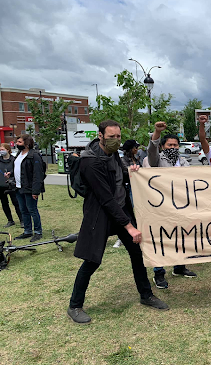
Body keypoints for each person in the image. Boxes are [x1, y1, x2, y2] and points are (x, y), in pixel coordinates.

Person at [68, 120, 168, 324]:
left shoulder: (111, 154)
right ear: (100, 135)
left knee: (136, 253)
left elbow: (118, 176)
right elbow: (106, 198)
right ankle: (75, 306)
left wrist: (133, 172)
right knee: (92, 260)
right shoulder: (90, 161)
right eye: (111, 136)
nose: (115, 140)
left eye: (118, 137)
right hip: (101, 214)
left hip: (121, 210)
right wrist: (130, 227)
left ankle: (146, 294)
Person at [143, 121, 197, 289]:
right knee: (160, 240)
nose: (173, 147)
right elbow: (152, 151)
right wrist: (156, 134)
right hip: (160, 208)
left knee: (181, 237)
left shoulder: (184, 162)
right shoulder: (154, 160)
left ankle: (179, 266)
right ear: (163, 146)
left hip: (180, 207)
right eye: (169, 145)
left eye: (175, 145)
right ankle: (159, 273)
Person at [9, 135, 45, 242]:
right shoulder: (18, 155)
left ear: (27, 143)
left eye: (19, 142)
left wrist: (35, 191)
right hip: (18, 187)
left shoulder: (34, 156)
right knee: (23, 210)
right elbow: (18, 169)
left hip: (29, 188)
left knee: (32, 210)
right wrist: (10, 174)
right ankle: (27, 231)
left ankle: (38, 231)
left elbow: (37, 174)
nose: (17, 144)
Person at [114, 140, 142, 248]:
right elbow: (125, 172)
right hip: (129, 188)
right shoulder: (123, 160)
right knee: (127, 213)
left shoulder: (136, 159)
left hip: (138, 188)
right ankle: (121, 237)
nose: (137, 149)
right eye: (135, 147)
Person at [0, 143, 23, 228]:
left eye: (3, 149)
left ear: (8, 150)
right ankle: (10, 220)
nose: (1, 151)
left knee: (16, 203)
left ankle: (22, 220)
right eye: (0, 150)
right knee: (4, 203)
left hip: (12, 185)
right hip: (1, 186)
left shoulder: (14, 160)